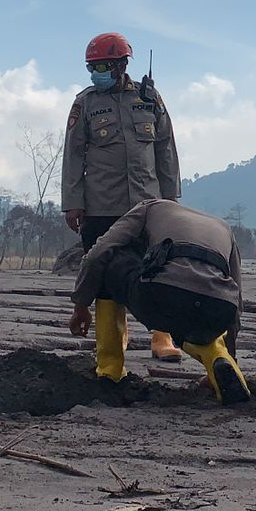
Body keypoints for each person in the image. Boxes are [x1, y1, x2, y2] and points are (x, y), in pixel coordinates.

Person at [62, 32, 183, 365]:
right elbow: (72, 156)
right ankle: (111, 357)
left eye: (102, 65)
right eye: (92, 67)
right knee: (103, 280)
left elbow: (165, 150)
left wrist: (170, 198)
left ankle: (162, 339)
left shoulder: (149, 99)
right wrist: (73, 202)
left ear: (121, 65)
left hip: (148, 204)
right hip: (101, 205)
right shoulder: (85, 103)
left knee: (157, 271)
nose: (96, 72)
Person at [68, 199, 248, 404]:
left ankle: (110, 373)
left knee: (113, 258)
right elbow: (236, 300)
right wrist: (233, 359)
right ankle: (218, 358)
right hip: (218, 306)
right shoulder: (223, 226)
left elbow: (97, 254)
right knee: (190, 320)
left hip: (163, 294)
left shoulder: (148, 208)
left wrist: (81, 305)